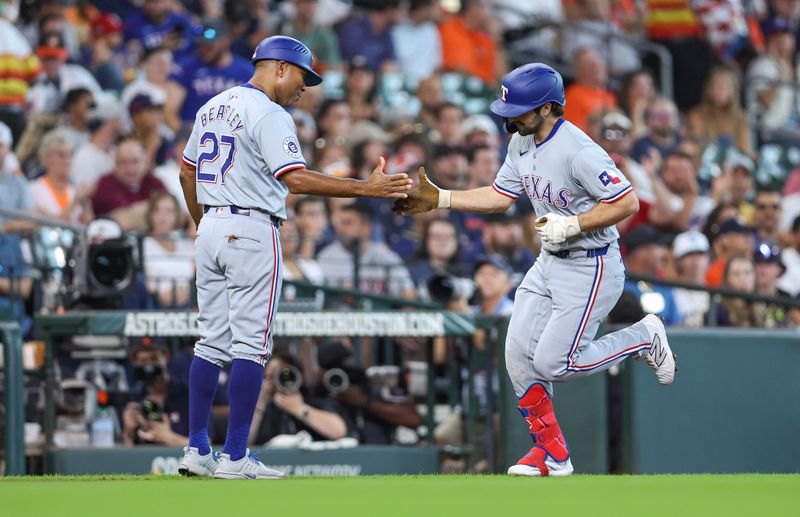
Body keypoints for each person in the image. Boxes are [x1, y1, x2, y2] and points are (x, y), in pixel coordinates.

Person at [393, 63, 675, 477]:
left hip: (591, 265)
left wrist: (573, 223)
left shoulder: (579, 150)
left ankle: (642, 336)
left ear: (547, 108)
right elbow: (498, 196)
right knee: (517, 357)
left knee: (554, 365)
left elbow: (627, 202)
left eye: (520, 109)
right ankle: (553, 455)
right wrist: (442, 198)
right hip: (549, 262)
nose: (510, 117)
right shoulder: (521, 143)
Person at [177, 36, 412, 480]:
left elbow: (187, 171)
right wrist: (367, 188)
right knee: (250, 344)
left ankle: (196, 449)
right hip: (251, 227)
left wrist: (202, 222)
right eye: (303, 77)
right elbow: (297, 180)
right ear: (280, 68)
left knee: (209, 342)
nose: (305, 88)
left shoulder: (212, 107)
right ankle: (235, 457)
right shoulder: (269, 112)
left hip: (211, 224)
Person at [165, 19, 253, 130]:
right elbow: (169, 112)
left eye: (209, 46)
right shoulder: (185, 68)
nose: (203, 50)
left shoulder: (246, 71)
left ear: (226, 41)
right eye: (200, 45)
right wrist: (188, 139)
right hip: (194, 135)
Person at [317, 202, 415, 298]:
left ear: (366, 228)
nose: (340, 228)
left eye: (347, 223)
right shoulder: (327, 256)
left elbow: (409, 294)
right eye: (340, 223)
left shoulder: (383, 255)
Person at [249, 352, 349, 445]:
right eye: (271, 376)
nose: (278, 380)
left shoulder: (315, 401)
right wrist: (260, 402)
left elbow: (338, 431)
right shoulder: (264, 408)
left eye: (281, 374)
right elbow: (246, 442)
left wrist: (299, 409)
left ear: (298, 375)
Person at [122, 340, 189, 447]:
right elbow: (125, 452)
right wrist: (129, 432)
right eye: (143, 361)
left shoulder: (189, 394)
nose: (149, 366)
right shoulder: (134, 398)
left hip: (180, 461)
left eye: (154, 359)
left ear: (166, 357)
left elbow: (206, 446)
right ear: (135, 362)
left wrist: (167, 437)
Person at [90, 139, 167, 232]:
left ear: (144, 162)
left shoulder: (154, 182)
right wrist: (153, 209)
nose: (130, 169)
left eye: (135, 161)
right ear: (115, 164)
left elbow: (173, 213)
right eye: (124, 162)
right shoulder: (106, 184)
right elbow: (124, 222)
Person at [143, 192, 195, 308]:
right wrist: (159, 293)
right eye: (157, 210)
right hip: (153, 304)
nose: (163, 217)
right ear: (150, 214)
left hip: (187, 303)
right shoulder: (142, 245)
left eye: (169, 211)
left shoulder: (186, 244)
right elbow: (142, 280)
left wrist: (185, 292)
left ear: (177, 215)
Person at [621, 224, 681, 325]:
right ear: (642, 252)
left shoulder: (663, 284)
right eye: (660, 246)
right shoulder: (615, 279)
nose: (665, 254)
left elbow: (676, 325)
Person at [29, 128, 92, 225]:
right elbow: (52, 224)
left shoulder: (74, 191)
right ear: (46, 158)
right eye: (61, 155)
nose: (67, 161)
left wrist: (86, 204)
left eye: (70, 155)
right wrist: (75, 202)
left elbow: (88, 225)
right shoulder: (34, 189)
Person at [687, 66, 751, 153]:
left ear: (732, 91)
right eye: (712, 86)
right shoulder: (697, 114)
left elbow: (744, 148)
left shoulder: (740, 117)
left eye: (721, 87)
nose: (716, 91)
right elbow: (696, 142)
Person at [563, 48, 618, 132]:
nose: (596, 66)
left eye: (598, 62)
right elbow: (570, 131)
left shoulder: (610, 96)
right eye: (588, 64)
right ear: (577, 71)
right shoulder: (573, 94)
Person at [671, 230, 711, 327]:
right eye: (689, 255)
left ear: (708, 258)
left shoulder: (717, 294)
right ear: (678, 261)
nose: (696, 261)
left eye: (700, 254)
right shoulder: (671, 292)